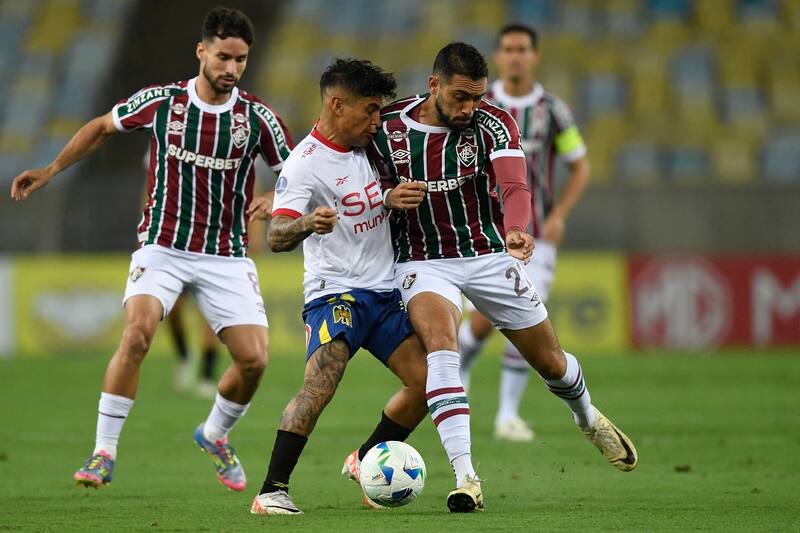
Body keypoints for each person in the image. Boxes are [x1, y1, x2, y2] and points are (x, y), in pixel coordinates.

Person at [10, 7, 293, 492]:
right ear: (202, 51)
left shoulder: (257, 118)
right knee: (138, 333)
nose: (231, 68)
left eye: (241, 60)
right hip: (161, 247)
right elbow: (101, 127)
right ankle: (103, 452)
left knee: (255, 360)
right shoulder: (163, 103)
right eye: (223, 57)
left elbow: (297, 171)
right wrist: (51, 169)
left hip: (225, 254)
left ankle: (214, 434)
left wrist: (277, 196)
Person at [372, 42, 638, 512]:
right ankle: (466, 477)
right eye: (459, 97)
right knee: (441, 343)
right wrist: (388, 195)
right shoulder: (390, 126)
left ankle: (587, 417)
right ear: (433, 85)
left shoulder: (494, 122)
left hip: (489, 254)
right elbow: (358, 179)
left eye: (475, 97)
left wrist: (517, 228)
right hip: (423, 260)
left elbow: (515, 184)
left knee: (552, 363)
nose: (469, 107)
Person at [249, 59, 434, 515]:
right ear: (336, 105)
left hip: (385, 292)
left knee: (429, 384)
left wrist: (390, 199)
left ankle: (366, 458)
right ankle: (271, 490)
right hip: (336, 294)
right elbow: (276, 236)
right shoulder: (305, 165)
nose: (377, 121)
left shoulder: (372, 149)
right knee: (321, 385)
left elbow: (370, 200)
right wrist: (310, 222)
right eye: (370, 111)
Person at [458, 24, 592, 442]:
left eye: (523, 49)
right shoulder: (478, 104)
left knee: (526, 321)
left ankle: (507, 414)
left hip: (536, 238)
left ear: (534, 56)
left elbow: (580, 166)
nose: (515, 56)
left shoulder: (553, 110)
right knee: (480, 325)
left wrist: (560, 214)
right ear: (498, 56)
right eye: (509, 49)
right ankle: (455, 372)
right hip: (485, 233)